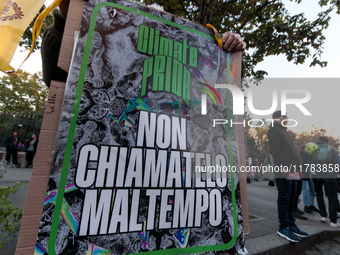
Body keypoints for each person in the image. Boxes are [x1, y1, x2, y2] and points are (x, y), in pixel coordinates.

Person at [41, 0, 247, 87]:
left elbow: (227, 81)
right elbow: (56, 77)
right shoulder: (107, 55)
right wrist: (68, 12)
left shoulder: (177, 71)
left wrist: (229, 51)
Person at [267, 110, 308, 242]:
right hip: (285, 168)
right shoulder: (274, 130)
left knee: (292, 197)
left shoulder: (285, 131)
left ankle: (291, 224)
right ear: (276, 118)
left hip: (294, 169)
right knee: (284, 197)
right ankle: (283, 227)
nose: (287, 118)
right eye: (284, 116)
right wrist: (281, 166)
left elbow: (292, 152)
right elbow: (275, 149)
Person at [312, 136, 340, 227]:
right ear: (327, 142)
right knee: (332, 197)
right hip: (329, 175)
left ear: (318, 141)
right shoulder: (331, 150)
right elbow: (338, 162)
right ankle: (333, 221)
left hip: (316, 175)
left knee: (319, 194)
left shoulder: (312, 149)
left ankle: (323, 216)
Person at [300, 144, 319, 214]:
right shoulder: (304, 156)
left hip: (309, 174)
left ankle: (310, 204)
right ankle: (307, 205)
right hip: (305, 175)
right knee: (306, 190)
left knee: (312, 190)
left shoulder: (309, 156)